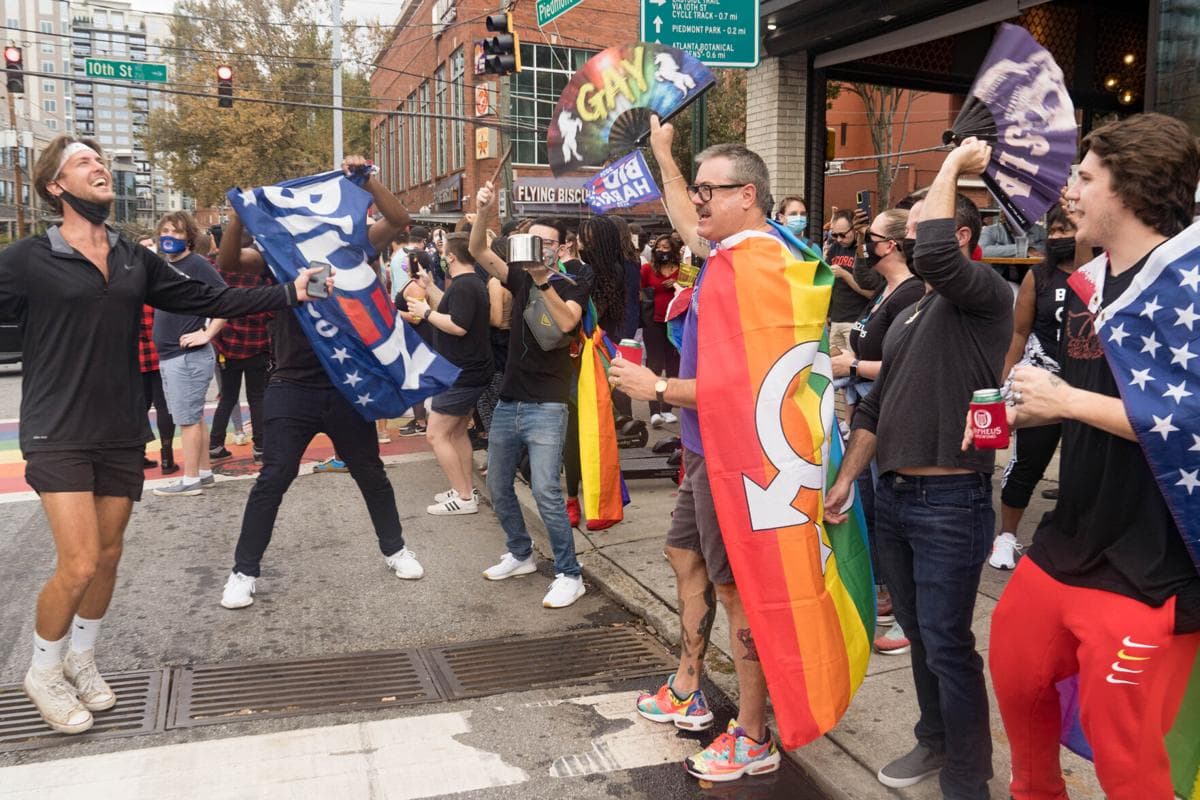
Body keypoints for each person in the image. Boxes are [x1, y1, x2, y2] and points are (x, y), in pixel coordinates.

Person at [2, 135, 323, 735]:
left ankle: (82, 658)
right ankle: (42, 670)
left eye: (100, 160)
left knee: (109, 556)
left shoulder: (130, 256)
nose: (98, 167)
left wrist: (288, 292)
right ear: (56, 187)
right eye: (83, 163)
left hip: (122, 426)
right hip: (56, 429)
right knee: (77, 562)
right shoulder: (26, 258)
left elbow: (209, 294)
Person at [975, 113, 1200, 800]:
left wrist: (1066, 404)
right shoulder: (1087, 285)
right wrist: (1022, 402)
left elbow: (1187, 418)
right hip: (1071, 538)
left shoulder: (1190, 283)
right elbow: (1091, 389)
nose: (1068, 190)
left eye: (1085, 176)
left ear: (1128, 189)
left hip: (1154, 565)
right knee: (1014, 671)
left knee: (1125, 756)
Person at [825, 138, 1013, 798]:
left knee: (947, 642)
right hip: (894, 498)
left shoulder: (986, 297)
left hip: (950, 501)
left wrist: (951, 166)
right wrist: (847, 478)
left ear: (960, 234)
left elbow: (931, 248)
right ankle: (935, 740)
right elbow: (874, 407)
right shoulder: (912, 316)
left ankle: (968, 777)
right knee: (921, 636)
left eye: (908, 232)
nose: (895, 244)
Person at [608, 120, 793, 783]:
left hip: (736, 457)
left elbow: (750, 387)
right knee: (683, 554)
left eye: (713, 191)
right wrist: (664, 155)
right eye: (700, 191)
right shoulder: (727, 254)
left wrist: (654, 385)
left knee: (736, 590)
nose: (700, 204)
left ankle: (753, 733)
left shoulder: (761, 265)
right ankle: (689, 686)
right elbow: (686, 217)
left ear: (748, 195)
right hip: (703, 450)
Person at [217, 156, 426, 611]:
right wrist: (239, 212)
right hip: (292, 384)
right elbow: (229, 260)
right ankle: (243, 571)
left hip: (347, 386)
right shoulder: (278, 257)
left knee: (370, 472)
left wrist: (369, 178)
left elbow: (400, 219)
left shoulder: (354, 246)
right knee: (274, 476)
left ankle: (395, 549)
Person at [468, 182, 592, 609]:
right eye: (533, 241)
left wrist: (542, 277)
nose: (540, 248)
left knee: (545, 491)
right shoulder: (517, 277)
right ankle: (520, 553)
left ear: (562, 247)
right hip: (509, 400)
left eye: (547, 243)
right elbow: (479, 251)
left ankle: (569, 573)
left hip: (548, 404)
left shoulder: (571, 283)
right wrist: (483, 210)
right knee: (497, 483)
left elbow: (565, 325)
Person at [830, 208, 925, 657]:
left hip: (888, 407)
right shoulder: (887, 291)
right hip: (866, 404)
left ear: (891, 245)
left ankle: (899, 603)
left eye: (871, 237)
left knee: (886, 506)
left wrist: (850, 365)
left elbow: (904, 364)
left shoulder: (911, 294)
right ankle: (885, 588)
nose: (865, 244)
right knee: (868, 502)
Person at [988, 205, 1079, 570]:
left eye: (1067, 229)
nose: (1059, 237)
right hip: (1043, 385)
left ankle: (1074, 540)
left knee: (1086, 468)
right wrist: (1001, 383)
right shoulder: (1038, 277)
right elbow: (1019, 333)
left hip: (1090, 388)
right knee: (1027, 463)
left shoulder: (1105, 274)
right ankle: (1006, 536)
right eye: (1053, 230)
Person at [406, 233, 492, 516]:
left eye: (443, 252)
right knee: (456, 434)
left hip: (461, 373)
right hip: (466, 371)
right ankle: (464, 488)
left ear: (451, 256)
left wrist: (426, 312)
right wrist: (430, 288)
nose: (441, 256)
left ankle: (465, 497)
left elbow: (458, 325)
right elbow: (454, 310)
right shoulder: (468, 284)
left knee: (436, 435)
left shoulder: (466, 285)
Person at [150, 211, 228, 497]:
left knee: (187, 419)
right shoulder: (164, 266)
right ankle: (204, 472)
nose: (170, 236)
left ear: (190, 238)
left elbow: (226, 300)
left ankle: (190, 478)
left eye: (178, 232)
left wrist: (207, 333)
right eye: (166, 230)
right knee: (193, 417)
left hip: (187, 357)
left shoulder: (196, 264)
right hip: (173, 356)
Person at [208, 256, 271, 463]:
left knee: (227, 397)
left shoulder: (221, 272)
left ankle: (216, 444)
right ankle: (261, 447)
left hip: (228, 346)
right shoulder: (262, 276)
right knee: (257, 398)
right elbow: (272, 309)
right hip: (257, 345)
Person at [825, 209, 882, 353]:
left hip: (856, 321)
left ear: (854, 229)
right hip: (836, 320)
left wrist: (845, 274)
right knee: (834, 368)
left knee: (850, 367)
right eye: (835, 235)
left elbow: (871, 293)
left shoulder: (863, 251)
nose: (839, 239)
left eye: (843, 235)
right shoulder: (834, 248)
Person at [640, 235, 681, 427]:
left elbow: (691, 291)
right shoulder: (647, 269)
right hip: (654, 323)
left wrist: (676, 285)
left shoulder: (682, 271)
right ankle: (654, 410)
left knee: (674, 366)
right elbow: (639, 291)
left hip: (675, 321)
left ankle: (668, 408)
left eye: (666, 247)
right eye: (658, 247)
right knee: (654, 365)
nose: (661, 250)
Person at [137, 304, 178, 475]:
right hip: (159, 356)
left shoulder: (123, 296)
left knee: (139, 409)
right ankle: (167, 458)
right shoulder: (152, 302)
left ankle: (138, 455)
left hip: (135, 360)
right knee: (164, 407)